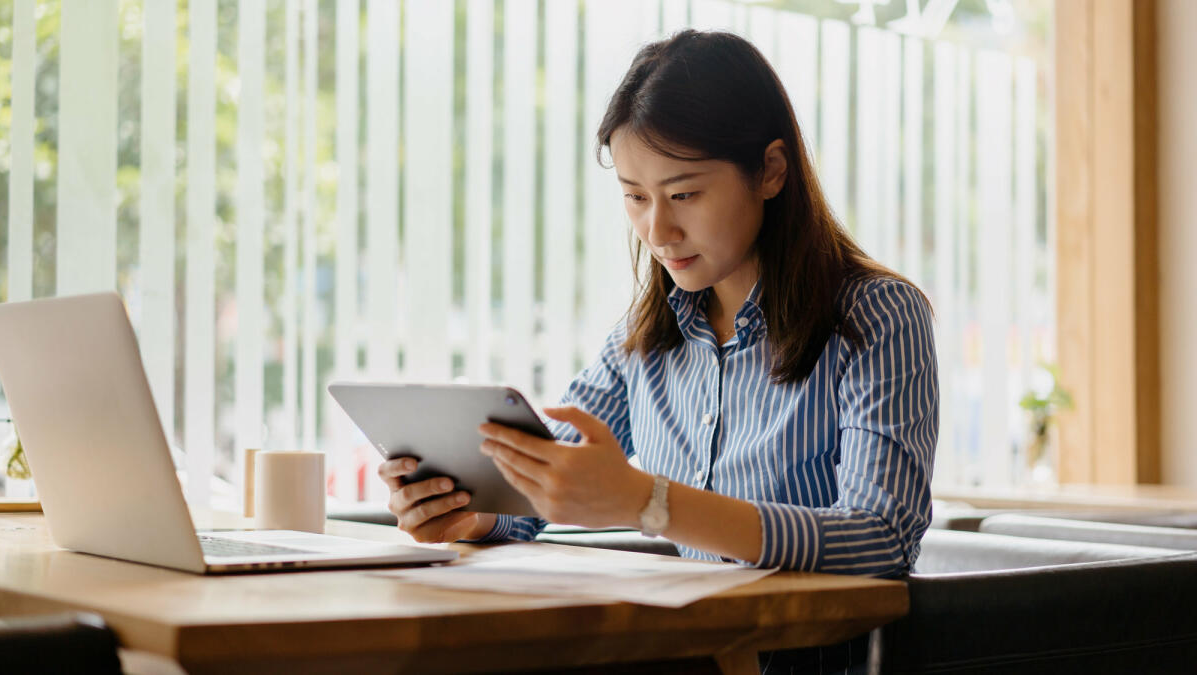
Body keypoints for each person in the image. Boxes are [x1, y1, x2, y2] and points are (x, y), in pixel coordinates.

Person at [378, 29, 937, 671]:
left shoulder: (877, 316)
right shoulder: (642, 338)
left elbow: (881, 536)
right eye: (635, 197)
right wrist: (466, 515)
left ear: (772, 171)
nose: (658, 231)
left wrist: (649, 502)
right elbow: (541, 492)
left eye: (684, 194)